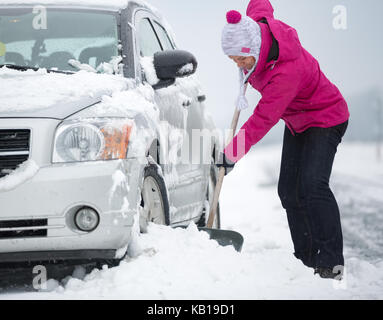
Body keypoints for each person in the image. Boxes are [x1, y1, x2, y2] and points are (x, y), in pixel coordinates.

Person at [217, 0, 350, 280]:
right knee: (288, 191)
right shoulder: (255, 29)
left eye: (242, 59)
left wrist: (232, 153)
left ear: (254, 49)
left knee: (313, 185)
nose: (239, 66)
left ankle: (330, 262)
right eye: (233, 61)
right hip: (298, 121)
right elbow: (260, 7)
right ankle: (305, 258)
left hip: (326, 116)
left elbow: (263, 119)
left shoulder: (285, 73)